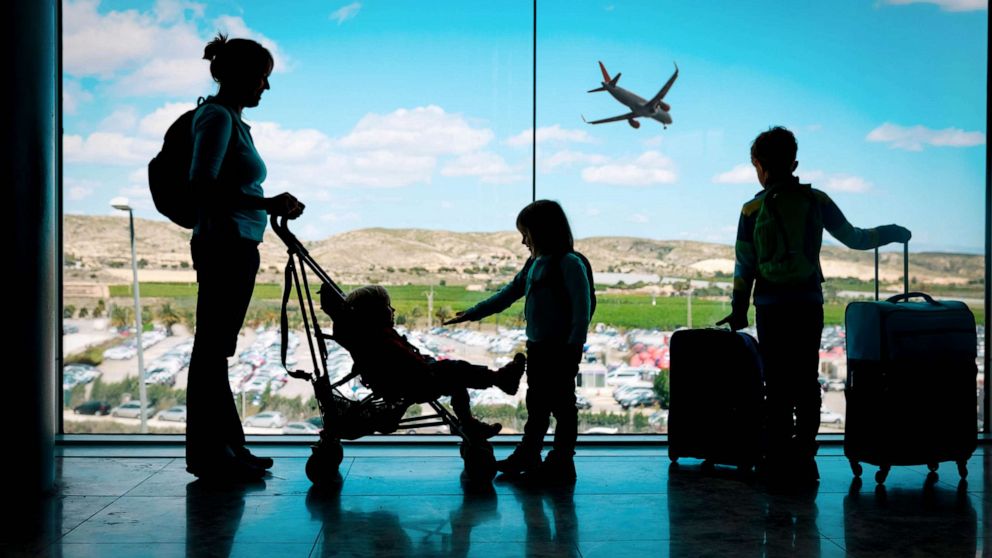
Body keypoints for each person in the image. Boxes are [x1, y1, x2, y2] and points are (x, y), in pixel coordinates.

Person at [717, 126, 911, 486]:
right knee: (806, 379)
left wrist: (739, 308)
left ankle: (776, 457)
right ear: (794, 162)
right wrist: (892, 232)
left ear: (758, 165)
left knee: (775, 383)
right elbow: (856, 238)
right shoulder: (816, 201)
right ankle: (804, 452)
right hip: (807, 303)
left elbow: (744, 266)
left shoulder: (751, 209)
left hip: (770, 306)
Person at [185, 34, 306, 482]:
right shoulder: (216, 118)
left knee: (216, 352)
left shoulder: (231, 120)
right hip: (224, 245)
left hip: (234, 244)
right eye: (262, 77)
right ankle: (212, 454)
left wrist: (265, 205)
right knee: (211, 351)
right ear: (238, 76)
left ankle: (227, 448)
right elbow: (202, 185)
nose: (266, 88)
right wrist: (266, 202)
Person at [446, 200, 591, 484]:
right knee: (537, 404)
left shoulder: (569, 264)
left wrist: (573, 348)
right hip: (538, 348)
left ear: (542, 231)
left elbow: (581, 311)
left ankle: (560, 462)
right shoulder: (535, 264)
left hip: (561, 351)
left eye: (526, 233)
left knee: (562, 406)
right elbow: (509, 293)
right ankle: (532, 455)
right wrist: (472, 314)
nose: (523, 240)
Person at [336, 285, 526, 439]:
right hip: (415, 382)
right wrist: (430, 366)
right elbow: (408, 363)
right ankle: (500, 380)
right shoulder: (382, 339)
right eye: (388, 306)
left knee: (456, 379)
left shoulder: (372, 337)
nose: (393, 310)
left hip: (408, 381)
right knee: (456, 370)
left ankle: (469, 422)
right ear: (375, 312)